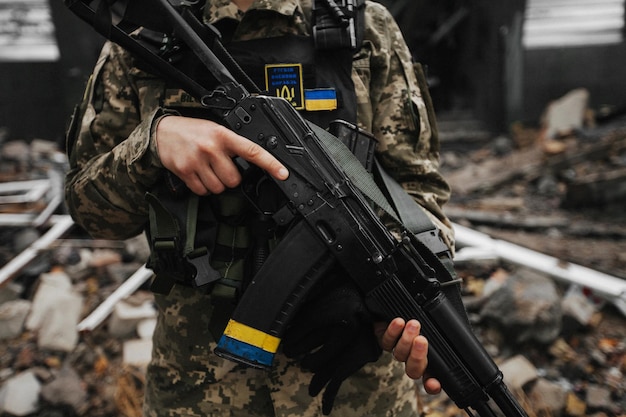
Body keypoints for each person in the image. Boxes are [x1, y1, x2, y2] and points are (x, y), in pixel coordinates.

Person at [64, 0, 453, 416]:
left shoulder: (362, 27)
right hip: (198, 389)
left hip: (354, 392)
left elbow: (419, 193)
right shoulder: (149, 32)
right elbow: (90, 212)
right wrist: (153, 142)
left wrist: (397, 298)